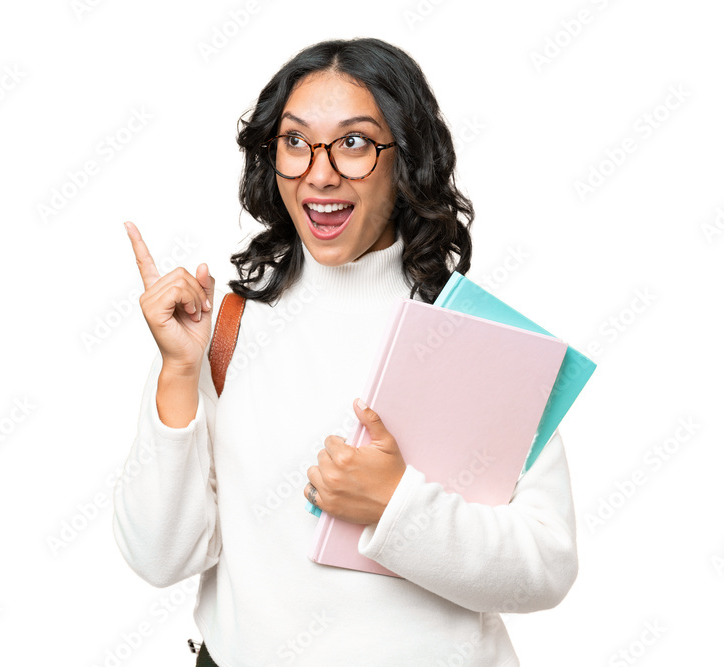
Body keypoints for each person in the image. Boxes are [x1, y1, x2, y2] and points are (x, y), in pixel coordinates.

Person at [112, 37, 579, 667]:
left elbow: (546, 567)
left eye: (355, 142)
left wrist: (396, 506)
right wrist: (176, 373)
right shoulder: (223, 327)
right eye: (296, 142)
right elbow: (159, 557)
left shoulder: (472, 335)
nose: (321, 172)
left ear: (405, 159)